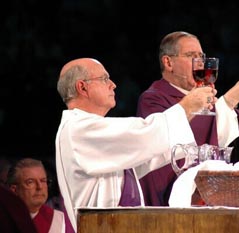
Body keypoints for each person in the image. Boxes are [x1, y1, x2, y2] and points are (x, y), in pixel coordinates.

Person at [136, 31, 239, 206]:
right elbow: (174, 142)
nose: (199, 61)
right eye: (190, 55)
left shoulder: (209, 99)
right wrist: (231, 99)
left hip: (212, 200)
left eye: (201, 55)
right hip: (170, 204)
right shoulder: (153, 99)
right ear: (168, 62)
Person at [55, 57, 216, 231]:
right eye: (104, 79)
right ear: (82, 87)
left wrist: (189, 111)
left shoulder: (90, 129)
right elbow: (145, 133)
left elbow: (144, 154)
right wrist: (187, 105)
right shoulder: (78, 129)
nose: (113, 84)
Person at [7, 158, 65, 233]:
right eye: (30, 182)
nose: (39, 187)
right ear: (14, 190)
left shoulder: (60, 219)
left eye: (43, 181)